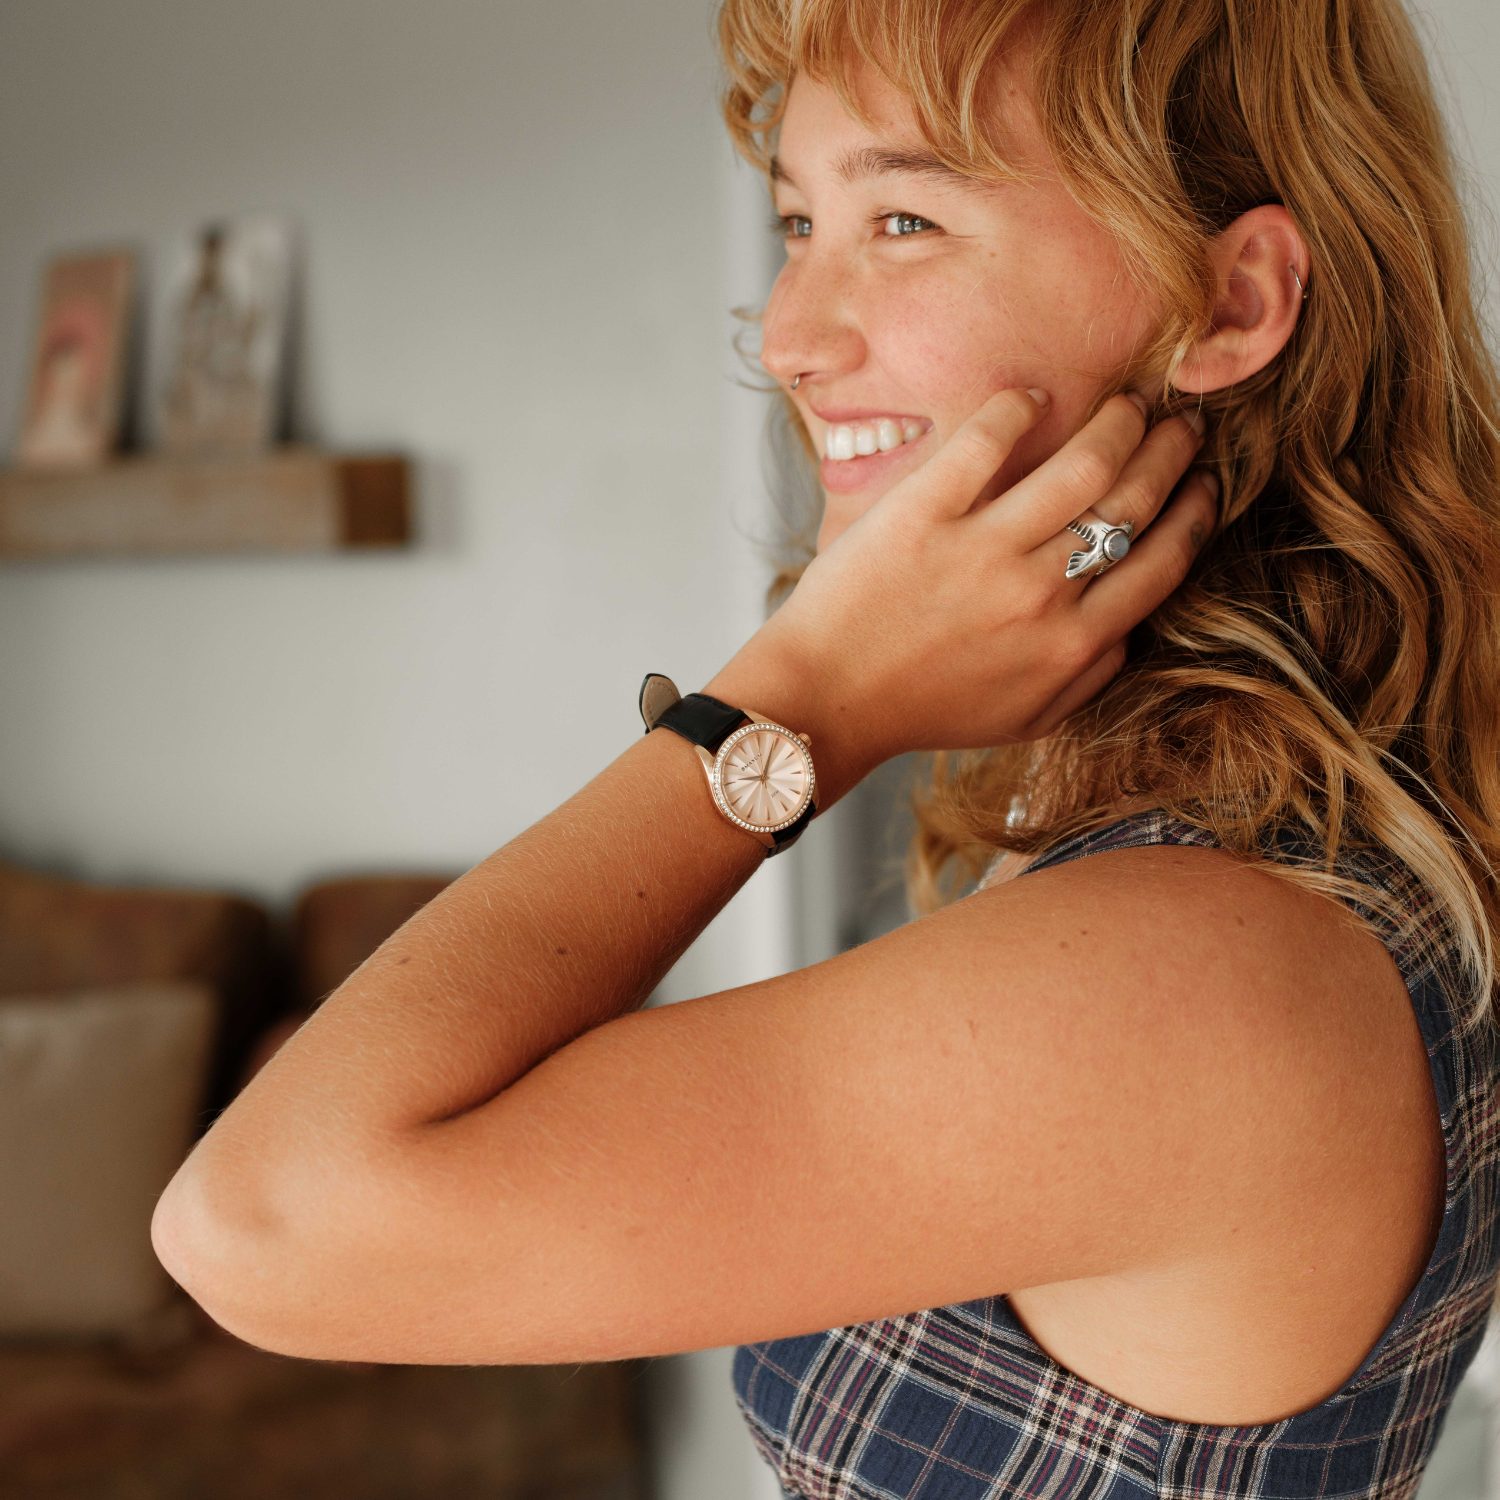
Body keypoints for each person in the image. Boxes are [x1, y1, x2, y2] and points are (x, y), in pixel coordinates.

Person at [153, 0, 1500, 1495]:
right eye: (799, 220)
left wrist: (800, 697)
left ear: (1232, 304)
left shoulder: (1201, 962)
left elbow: (265, 1226)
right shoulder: (1257, 841)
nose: (793, 340)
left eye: (905, 218)